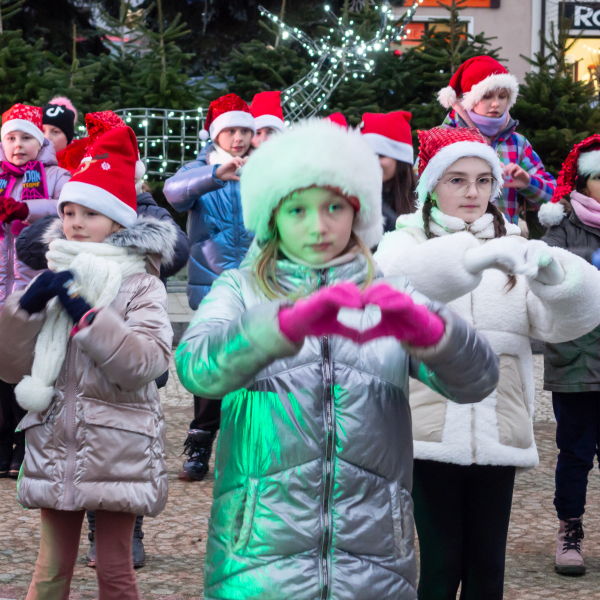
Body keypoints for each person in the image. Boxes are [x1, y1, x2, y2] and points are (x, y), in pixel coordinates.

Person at [175, 118, 499, 599]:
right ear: (272, 216)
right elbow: (196, 368)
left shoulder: (390, 293)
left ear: (357, 211)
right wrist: (275, 328)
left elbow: (477, 382)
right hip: (259, 558)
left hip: (373, 562)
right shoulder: (240, 289)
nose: (319, 226)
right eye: (297, 209)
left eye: (334, 207)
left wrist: (436, 333)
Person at [374, 126, 600, 600]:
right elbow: (392, 293)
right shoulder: (404, 241)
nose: (472, 192)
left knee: (488, 569)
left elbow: (558, 322)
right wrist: (471, 259)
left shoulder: (513, 241)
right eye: (457, 180)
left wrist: (555, 277)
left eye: (483, 180)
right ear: (431, 186)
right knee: (440, 566)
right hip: (428, 430)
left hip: (501, 425)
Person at [0, 125, 174, 600]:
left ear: (117, 221)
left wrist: (88, 316)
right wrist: (23, 311)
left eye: (90, 213)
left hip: (120, 444)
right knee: (50, 569)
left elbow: (147, 362)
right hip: (56, 441)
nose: (75, 222)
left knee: (115, 570)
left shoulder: (142, 284)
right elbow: (11, 368)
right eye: (68, 211)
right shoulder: (53, 272)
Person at [164, 93, 255, 482]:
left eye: (245, 131)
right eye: (230, 131)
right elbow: (174, 193)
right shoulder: (197, 168)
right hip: (212, 286)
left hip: (257, 285)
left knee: (254, 367)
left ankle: (247, 452)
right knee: (210, 365)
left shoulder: (264, 167)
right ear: (215, 133)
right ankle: (199, 445)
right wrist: (215, 174)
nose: (238, 138)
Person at [537, 134, 600, 575]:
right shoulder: (562, 227)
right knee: (575, 451)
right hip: (577, 359)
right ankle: (570, 530)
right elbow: (546, 282)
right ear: (583, 181)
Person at [0, 103, 70, 480]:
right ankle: (2, 444)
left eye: (26, 137)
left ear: (40, 142)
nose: (18, 145)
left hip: (32, 287)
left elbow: (67, 207)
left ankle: (25, 444)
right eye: (10, 137)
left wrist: (26, 208)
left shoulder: (55, 175)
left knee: (28, 366)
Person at [437, 55, 555, 225]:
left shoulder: (518, 144)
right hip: (453, 236)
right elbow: (418, 185)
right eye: (487, 96)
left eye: (502, 96)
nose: (495, 104)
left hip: (503, 237)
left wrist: (527, 182)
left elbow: (553, 196)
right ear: (470, 98)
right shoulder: (443, 137)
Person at [361, 111, 417, 231]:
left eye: (380, 155)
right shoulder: (353, 198)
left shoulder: (425, 202)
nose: (371, 162)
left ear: (401, 160)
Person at [42, 97, 88, 175]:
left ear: (68, 137)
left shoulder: (84, 165)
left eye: (55, 132)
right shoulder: (26, 161)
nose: (46, 137)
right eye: (42, 131)